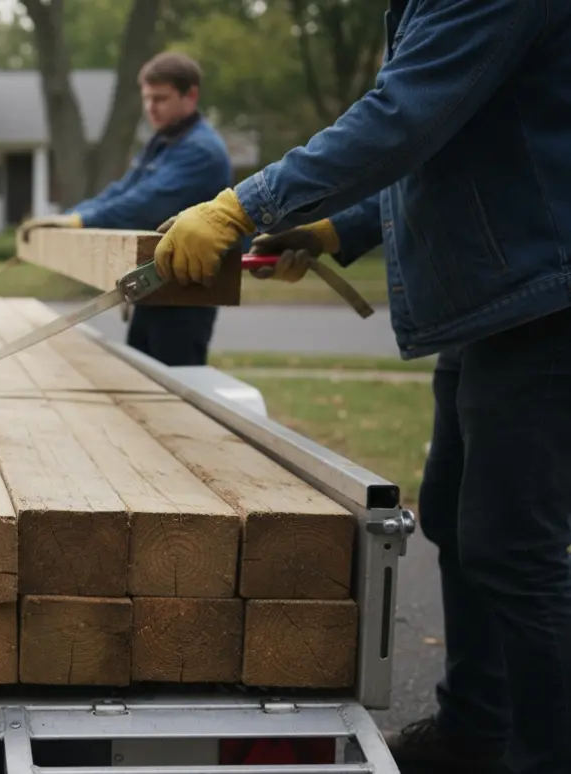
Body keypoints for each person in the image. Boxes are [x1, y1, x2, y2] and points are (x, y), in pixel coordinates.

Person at [149, 3, 571, 773]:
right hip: (497, 294)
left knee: (515, 547)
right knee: (451, 515)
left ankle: (547, 756)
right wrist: (337, 228)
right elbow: (452, 142)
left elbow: (406, 117)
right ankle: (475, 732)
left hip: (544, 296)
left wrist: (243, 204)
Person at [18, 51, 233, 367]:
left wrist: (80, 220)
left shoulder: (201, 152)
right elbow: (121, 191)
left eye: (160, 98)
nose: (151, 108)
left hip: (187, 295)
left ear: (191, 95)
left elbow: (144, 203)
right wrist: (68, 218)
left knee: (174, 389)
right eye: (147, 98)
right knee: (142, 376)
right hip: (156, 282)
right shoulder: (163, 142)